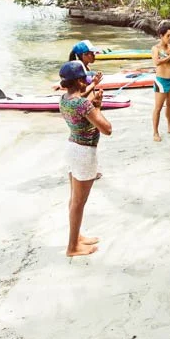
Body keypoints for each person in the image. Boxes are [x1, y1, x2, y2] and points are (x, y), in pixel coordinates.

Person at [58, 60, 113, 257]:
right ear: (79, 81)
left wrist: (94, 103)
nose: (86, 83)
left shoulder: (64, 99)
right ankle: (72, 246)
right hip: (84, 153)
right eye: (85, 80)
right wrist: (97, 106)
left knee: (74, 199)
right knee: (79, 202)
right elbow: (107, 129)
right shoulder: (83, 104)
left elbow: (82, 102)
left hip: (72, 148)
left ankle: (76, 236)